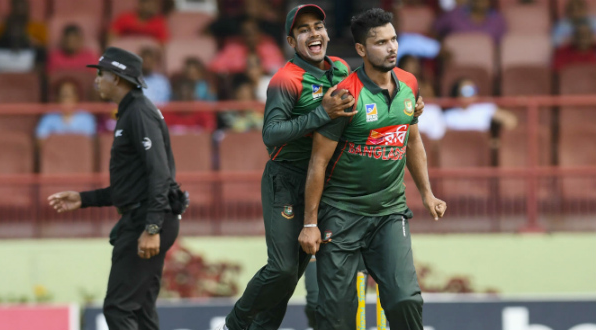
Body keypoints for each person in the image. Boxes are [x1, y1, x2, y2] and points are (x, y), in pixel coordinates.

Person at [216, 5, 425, 330]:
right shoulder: (285, 79)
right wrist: (321, 114)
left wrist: (404, 105)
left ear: (328, 34)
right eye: (303, 30)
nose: (314, 33)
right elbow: (270, 134)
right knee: (283, 270)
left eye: (318, 26)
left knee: (292, 274)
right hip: (287, 178)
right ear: (290, 40)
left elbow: (369, 92)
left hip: (326, 180)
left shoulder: (341, 68)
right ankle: (237, 323)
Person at [299, 8, 446, 330]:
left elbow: (412, 141)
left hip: (389, 212)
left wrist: (427, 193)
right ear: (362, 50)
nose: (391, 47)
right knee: (336, 315)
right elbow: (318, 161)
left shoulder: (409, 84)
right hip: (341, 214)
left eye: (393, 39)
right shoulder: (345, 96)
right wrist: (310, 222)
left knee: (405, 299)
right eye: (380, 42)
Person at [47, 47, 188, 330]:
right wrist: (83, 199)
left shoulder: (139, 113)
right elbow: (131, 187)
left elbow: (159, 174)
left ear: (118, 78)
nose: (96, 80)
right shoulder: (131, 112)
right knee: (140, 311)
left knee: (118, 309)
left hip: (146, 221)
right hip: (146, 216)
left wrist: (151, 228)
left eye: (101, 74)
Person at [444, 78, 517, 132]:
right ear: (457, 93)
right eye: (467, 90)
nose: (472, 94)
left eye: (474, 90)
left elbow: (510, 120)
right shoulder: (449, 116)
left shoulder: (484, 107)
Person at [433, 0, 506, 43]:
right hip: (453, 64)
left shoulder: (498, 20)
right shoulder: (453, 14)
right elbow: (434, 32)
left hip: (486, 66)